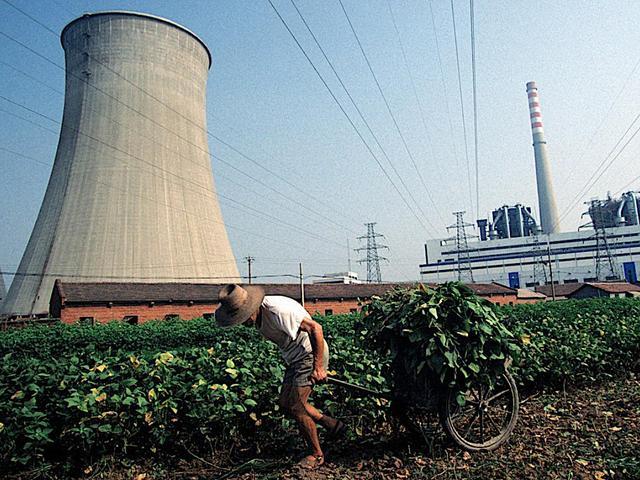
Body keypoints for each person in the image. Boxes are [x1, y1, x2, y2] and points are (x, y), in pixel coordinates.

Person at [215, 284, 345, 470]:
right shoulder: (259, 316)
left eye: (242, 317)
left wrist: (318, 368)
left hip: (309, 353)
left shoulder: (278, 311)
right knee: (285, 403)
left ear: (251, 308)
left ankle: (316, 454)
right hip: (295, 358)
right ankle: (333, 426)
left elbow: (316, 328)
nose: (242, 323)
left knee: (297, 406)